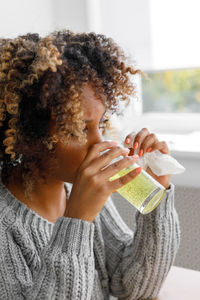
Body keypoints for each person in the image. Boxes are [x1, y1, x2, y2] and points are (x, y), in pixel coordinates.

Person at [0, 30, 180, 299]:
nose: (99, 143)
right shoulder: (7, 227)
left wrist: (156, 198)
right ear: (30, 136)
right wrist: (76, 221)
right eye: (78, 129)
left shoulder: (81, 191)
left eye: (101, 124)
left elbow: (135, 286)